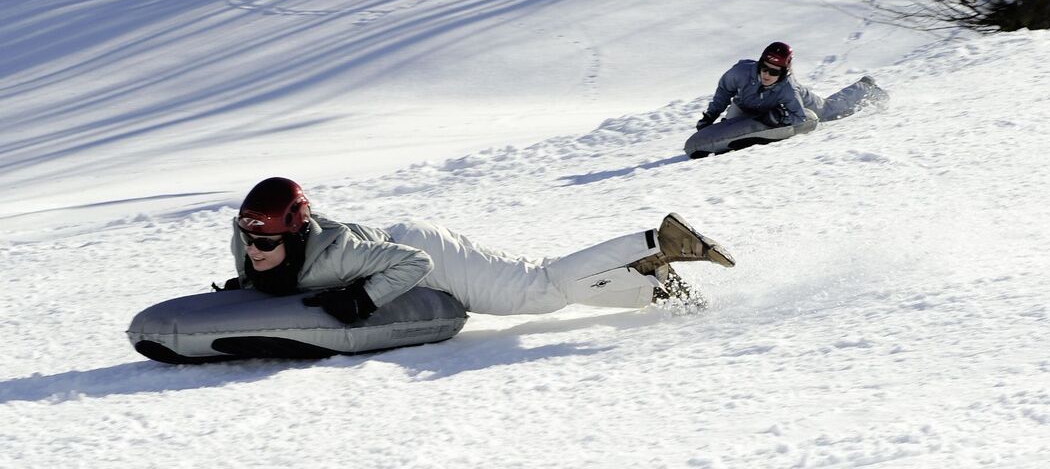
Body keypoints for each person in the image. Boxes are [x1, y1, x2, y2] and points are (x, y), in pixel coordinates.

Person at [219, 177, 735, 323]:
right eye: (249, 239)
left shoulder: (337, 255)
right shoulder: (246, 240)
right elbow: (252, 255)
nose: (254, 249)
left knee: (542, 290)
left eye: (266, 242)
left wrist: (364, 300)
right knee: (538, 281)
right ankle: (650, 285)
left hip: (425, 253)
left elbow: (415, 264)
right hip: (401, 239)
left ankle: (658, 245)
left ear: (294, 233)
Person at [695, 41, 825, 130]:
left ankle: (846, 97)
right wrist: (711, 115)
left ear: (783, 73)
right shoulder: (741, 72)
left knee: (827, 109)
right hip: (744, 106)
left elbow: (799, 117)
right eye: (764, 68)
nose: (767, 75)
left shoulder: (788, 88)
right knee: (730, 125)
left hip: (777, 107)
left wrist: (780, 117)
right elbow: (724, 90)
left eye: (774, 72)